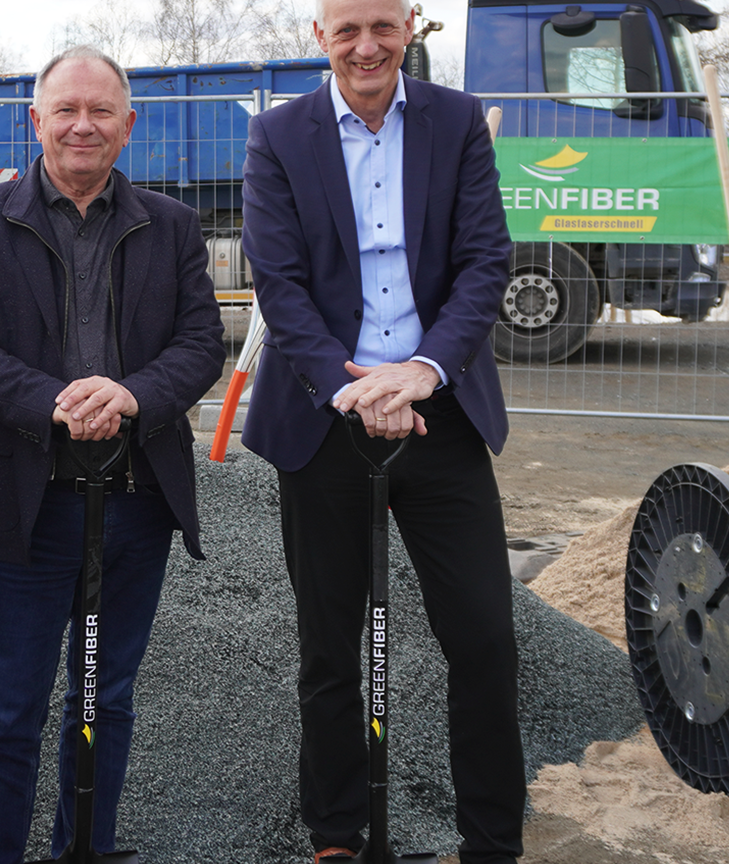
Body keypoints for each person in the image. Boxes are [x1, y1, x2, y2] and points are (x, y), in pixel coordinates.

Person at [238, 0, 524, 861]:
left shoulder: (459, 121)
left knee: (483, 639)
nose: (367, 46)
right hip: (325, 421)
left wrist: (423, 371)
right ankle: (338, 837)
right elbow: (279, 283)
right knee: (330, 648)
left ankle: (490, 842)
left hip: (442, 413)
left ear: (410, 27)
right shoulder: (278, 136)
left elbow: (484, 261)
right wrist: (350, 388)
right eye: (347, 29)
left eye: (383, 27)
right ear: (318, 36)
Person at [0, 45, 227, 864]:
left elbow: (203, 340)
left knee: (107, 696)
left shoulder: (170, 224)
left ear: (128, 126)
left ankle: (84, 850)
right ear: (37, 120)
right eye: (66, 110)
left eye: (101, 111)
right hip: (27, 503)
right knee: (8, 709)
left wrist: (133, 395)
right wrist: (50, 402)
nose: (83, 125)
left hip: (136, 501)